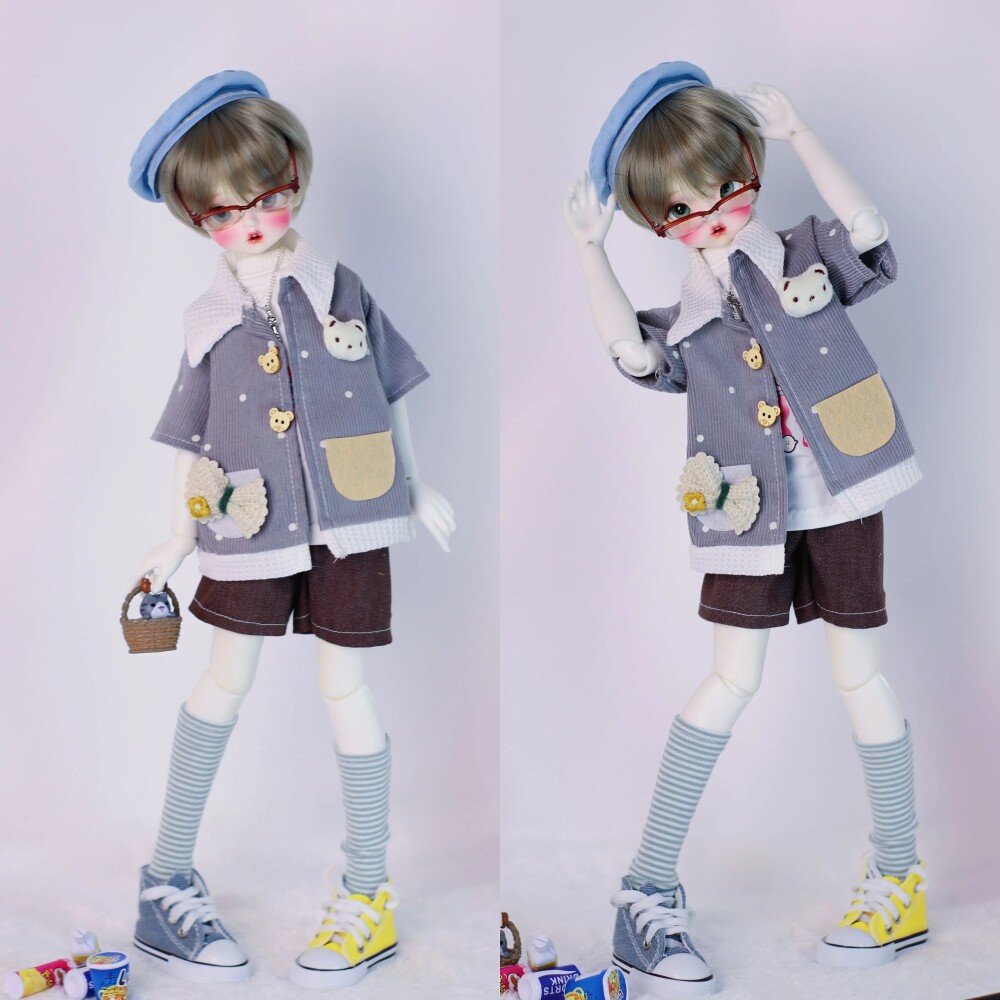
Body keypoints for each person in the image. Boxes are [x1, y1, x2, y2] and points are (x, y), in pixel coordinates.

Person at [564, 61, 923, 996]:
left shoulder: (803, 251)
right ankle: (646, 885)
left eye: (725, 186)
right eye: (681, 208)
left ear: (750, 169)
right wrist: (592, 254)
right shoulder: (687, 319)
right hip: (745, 509)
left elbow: (872, 234)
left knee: (861, 673)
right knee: (729, 679)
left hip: (844, 488)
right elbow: (630, 353)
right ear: (656, 220)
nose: (712, 213)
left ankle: (900, 874)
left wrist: (803, 136)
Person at [127, 70, 455, 989]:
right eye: (223, 211)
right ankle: (165, 876)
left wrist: (415, 486)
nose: (252, 220)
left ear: (296, 177)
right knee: (222, 681)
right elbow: (190, 436)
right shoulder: (207, 322)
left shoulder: (341, 288)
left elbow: (389, 391)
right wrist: (177, 538)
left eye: (267, 196)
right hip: (248, 520)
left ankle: (368, 891)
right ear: (196, 218)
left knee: (348, 689)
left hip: (354, 515)